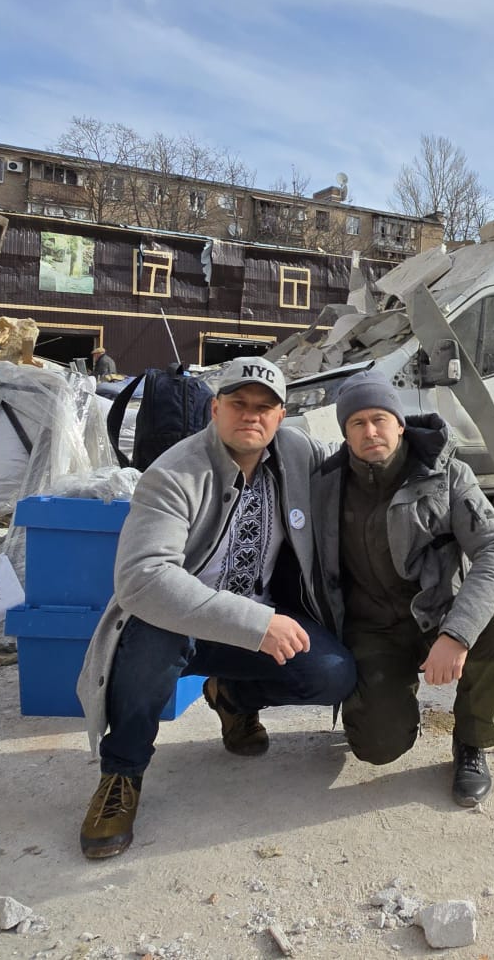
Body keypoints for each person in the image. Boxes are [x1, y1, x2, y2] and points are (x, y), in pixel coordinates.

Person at [74, 356, 353, 859]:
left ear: (281, 415)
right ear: (214, 408)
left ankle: (234, 698)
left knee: (333, 674)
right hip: (181, 623)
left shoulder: (295, 451)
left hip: (258, 620)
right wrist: (256, 621)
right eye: (239, 404)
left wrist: (418, 445)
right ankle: (121, 776)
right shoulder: (174, 473)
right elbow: (143, 579)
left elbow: (362, 454)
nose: (252, 416)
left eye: (265, 407)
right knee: (149, 647)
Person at [315, 371, 494, 806]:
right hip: (372, 628)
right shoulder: (326, 486)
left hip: (437, 612)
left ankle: (472, 741)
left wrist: (457, 634)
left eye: (380, 419)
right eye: (358, 423)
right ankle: (388, 703)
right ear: (345, 433)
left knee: (493, 621)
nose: (371, 431)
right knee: (378, 748)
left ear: (400, 423)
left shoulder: (446, 474)